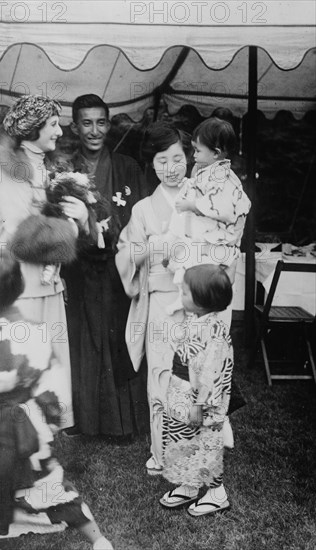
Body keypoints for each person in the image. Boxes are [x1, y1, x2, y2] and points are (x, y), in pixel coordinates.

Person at [0, 249, 114, 549]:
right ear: (19, 287)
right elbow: (53, 384)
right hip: (29, 432)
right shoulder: (37, 334)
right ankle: (99, 542)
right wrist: (52, 422)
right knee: (50, 486)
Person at [0, 95, 89, 429]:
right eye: (53, 124)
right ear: (33, 130)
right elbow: (24, 239)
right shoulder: (12, 174)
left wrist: (81, 218)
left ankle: (38, 445)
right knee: (23, 369)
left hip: (46, 286)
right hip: (19, 289)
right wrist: (70, 228)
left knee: (46, 369)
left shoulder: (45, 170)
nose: (60, 131)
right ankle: (16, 448)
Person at [61, 94, 149, 437]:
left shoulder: (128, 167)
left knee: (118, 338)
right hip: (80, 269)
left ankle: (123, 423)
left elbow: (140, 219)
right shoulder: (65, 170)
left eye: (100, 122)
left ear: (109, 125)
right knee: (84, 341)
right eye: (86, 122)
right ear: (75, 126)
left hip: (118, 268)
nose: (94, 130)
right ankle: (86, 420)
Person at [116, 122, 190, 474]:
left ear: (189, 158)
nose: (171, 168)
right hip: (160, 301)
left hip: (197, 301)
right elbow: (125, 252)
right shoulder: (143, 208)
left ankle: (194, 450)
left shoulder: (201, 200)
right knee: (161, 373)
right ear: (153, 164)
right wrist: (150, 248)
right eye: (163, 160)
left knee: (196, 375)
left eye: (178, 158)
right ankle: (162, 451)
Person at [159, 264, 233, 518]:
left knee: (206, 443)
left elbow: (211, 375)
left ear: (203, 301)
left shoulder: (214, 332)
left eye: (186, 293)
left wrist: (200, 405)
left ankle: (217, 492)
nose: (181, 295)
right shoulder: (196, 319)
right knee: (182, 439)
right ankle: (189, 484)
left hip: (201, 401)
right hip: (182, 393)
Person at [165, 116, 251, 317]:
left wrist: (192, 205)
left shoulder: (225, 177)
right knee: (190, 267)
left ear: (216, 153)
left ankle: (195, 304)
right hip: (203, 237)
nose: (193, 155)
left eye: (197, 150)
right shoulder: (207, 170)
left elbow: (220, 207)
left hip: (217, 241)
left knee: (206, 279)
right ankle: (184, 298)